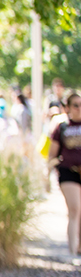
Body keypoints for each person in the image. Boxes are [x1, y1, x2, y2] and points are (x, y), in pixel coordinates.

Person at [47, 92, 81, 255]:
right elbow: (52, 153)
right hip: (68, 171)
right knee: (74, 208)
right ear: (68, 107)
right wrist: (47, 174)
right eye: (76, 105)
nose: (79, 109)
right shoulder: (62, 127)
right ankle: (72, 251)